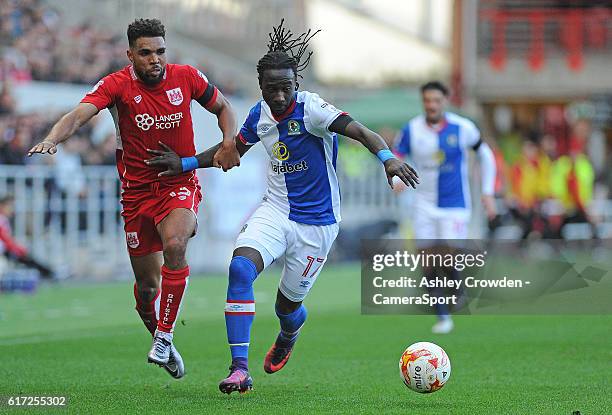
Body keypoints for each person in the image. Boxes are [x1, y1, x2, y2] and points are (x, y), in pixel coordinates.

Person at [144, 20, 419, 394]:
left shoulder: (313, 109)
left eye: (285, 88)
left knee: (287, 307)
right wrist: (186, 163)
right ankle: (239, 369)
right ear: (261, 87)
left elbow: (360, 130)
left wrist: (387, 158)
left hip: (317, 225)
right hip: (275, 211)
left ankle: (289, 332)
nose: (278, 96)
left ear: (296, 85)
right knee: (240, 268)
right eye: (271, 88)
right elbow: (231, 153)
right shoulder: (259, 115)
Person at [27, 18, 240, 379]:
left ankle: (164, 336)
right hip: (136, 195)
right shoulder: (116, 85)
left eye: (159, 51)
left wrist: (229, 140)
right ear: (130, 55)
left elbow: (223, 108)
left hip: (179, 184)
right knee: (147, 289)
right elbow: (79, 114)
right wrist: (53, 138)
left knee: (175, 244)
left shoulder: (186, 76)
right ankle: (162, 337)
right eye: (145, 53)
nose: (154, 59)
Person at [394, 81, 496, 334]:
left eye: (436, 101)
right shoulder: (411, 129)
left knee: (448, 257)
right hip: (423, 204)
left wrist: (487, 192)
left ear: (445, 101)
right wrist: (396, 178)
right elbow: (397, 156)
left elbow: (486, 155)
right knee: (427, 260)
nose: (432, 105)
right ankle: (442, 316)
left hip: (455, 204)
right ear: (423, 102)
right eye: (427, 100)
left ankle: (457, 287)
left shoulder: (463, 128)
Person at [0, 194, 53, 279]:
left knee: (26, 258)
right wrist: (20, 249)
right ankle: (49, 273)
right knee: (24, 257)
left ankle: (48, 272)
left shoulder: (4, 219)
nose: (11, 209)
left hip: (5, 251)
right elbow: (6, 240)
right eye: (9, 206)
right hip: (4, 252)